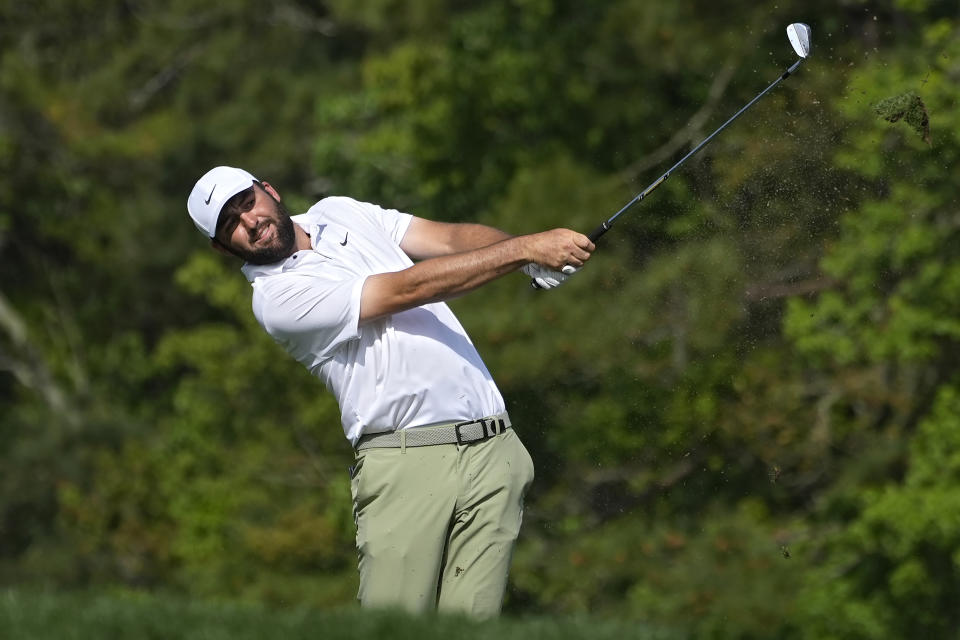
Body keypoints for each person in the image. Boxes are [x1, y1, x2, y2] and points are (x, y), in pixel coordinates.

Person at [186, 166, 594, 617]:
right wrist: (523, 249)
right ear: (221, 247)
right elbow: (408, 288)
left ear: (269, 191)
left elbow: (446, 240)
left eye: (247, 203)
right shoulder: (276, 298)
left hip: (494, 453)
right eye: (230, 225)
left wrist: (529, 257)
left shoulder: (339, 212)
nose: (249, 222)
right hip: (406, 465)